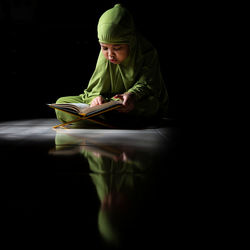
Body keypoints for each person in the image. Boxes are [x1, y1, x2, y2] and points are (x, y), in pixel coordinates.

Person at [55, 4, 168, 126]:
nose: (110, 55)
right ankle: (115, 120)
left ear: (131, 42)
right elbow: (94, 89)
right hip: (109, 104)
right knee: (61, 103)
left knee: (152, 105)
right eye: (104, 48)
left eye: (117, 48)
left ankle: (97, 120)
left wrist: (131, 95)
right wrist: (96, 99)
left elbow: (149, 85)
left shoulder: (147, 52)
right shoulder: (106, 56)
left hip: (131, 103)